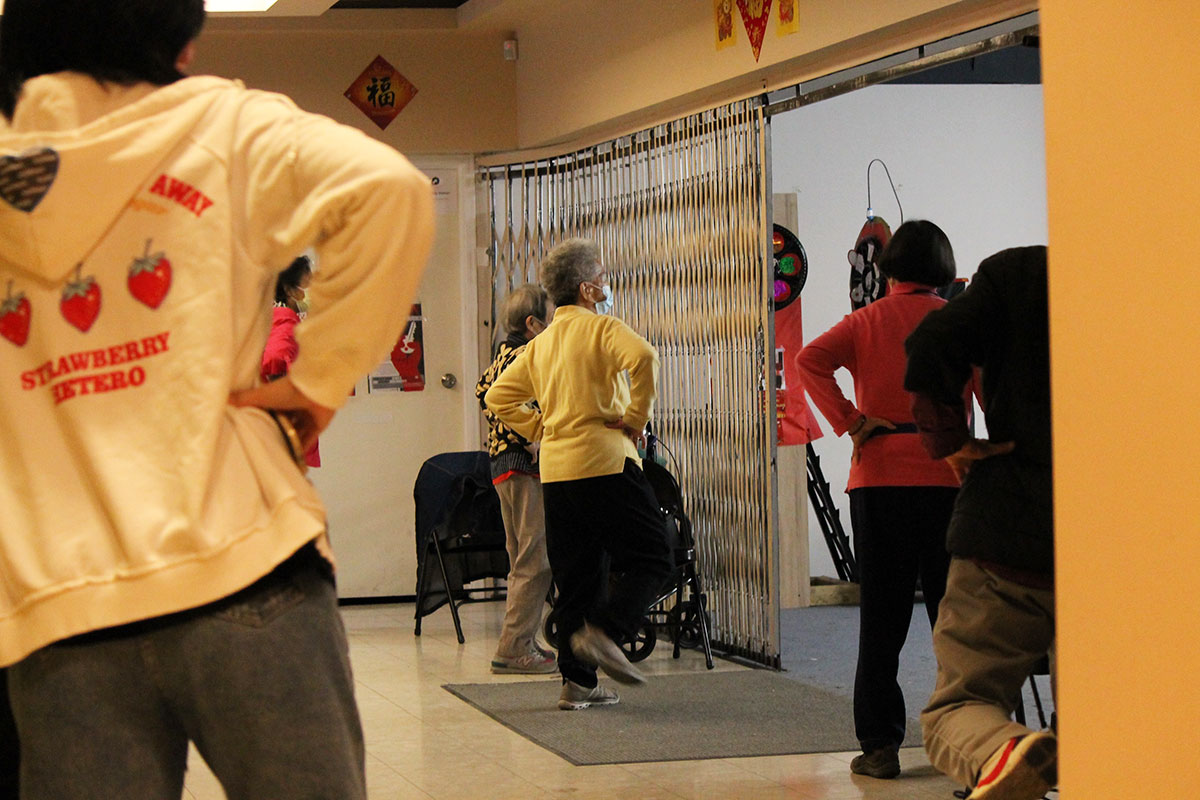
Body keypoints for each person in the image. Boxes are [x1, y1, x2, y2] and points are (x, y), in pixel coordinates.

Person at [0, 2, 434, 798]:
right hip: (242, 557)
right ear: (183, 40)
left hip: (60, 604)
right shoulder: (225, 127)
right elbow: (388, 188)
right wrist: (317, 379)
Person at [796, 220, 966, 779]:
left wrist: (849, 421)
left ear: (887, 268)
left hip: (880, 481)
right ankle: (962, 738)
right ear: (943, 269)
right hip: (948, 480)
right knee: (956, 619)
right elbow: (988, 388)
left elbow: (808, 361)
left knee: (882, 620)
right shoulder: (959, 323)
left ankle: (880, 746)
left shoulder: (864, 321)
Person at [485, 238, 673, 711]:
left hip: (557, 472)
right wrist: (635, 418)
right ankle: (605, 634)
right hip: (605, 461)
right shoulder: (602, 329)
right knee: (655, 554)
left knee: (578, 577)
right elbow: (645, 358)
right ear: (589, 289)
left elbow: (498, 398)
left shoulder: (541, 343)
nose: (607, 286)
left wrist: (540, 428)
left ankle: (578, 683)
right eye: (603, 278)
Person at [905, 246, 1055, 799]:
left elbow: (930, 346)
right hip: (1136, 534)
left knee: (957, 709)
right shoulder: (1163, 276)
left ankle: (1003, 751)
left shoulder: (1021, 274)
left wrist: (951, 443)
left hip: (1010, 526)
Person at [474, 284, 556, 674]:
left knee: (520, 557)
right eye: (552, 318)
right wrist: (537, 432)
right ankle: (514, 646)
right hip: (525, 464)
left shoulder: (499, 356)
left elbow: (483, 392)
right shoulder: (528, 354)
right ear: (532, 324)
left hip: (500, 466)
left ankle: (523, 638)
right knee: (535, 560)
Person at [262, 255, 321, 468]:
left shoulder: (273, 321)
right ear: (288, 289)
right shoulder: (285, 324)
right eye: (306, 284)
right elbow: (275, 358)